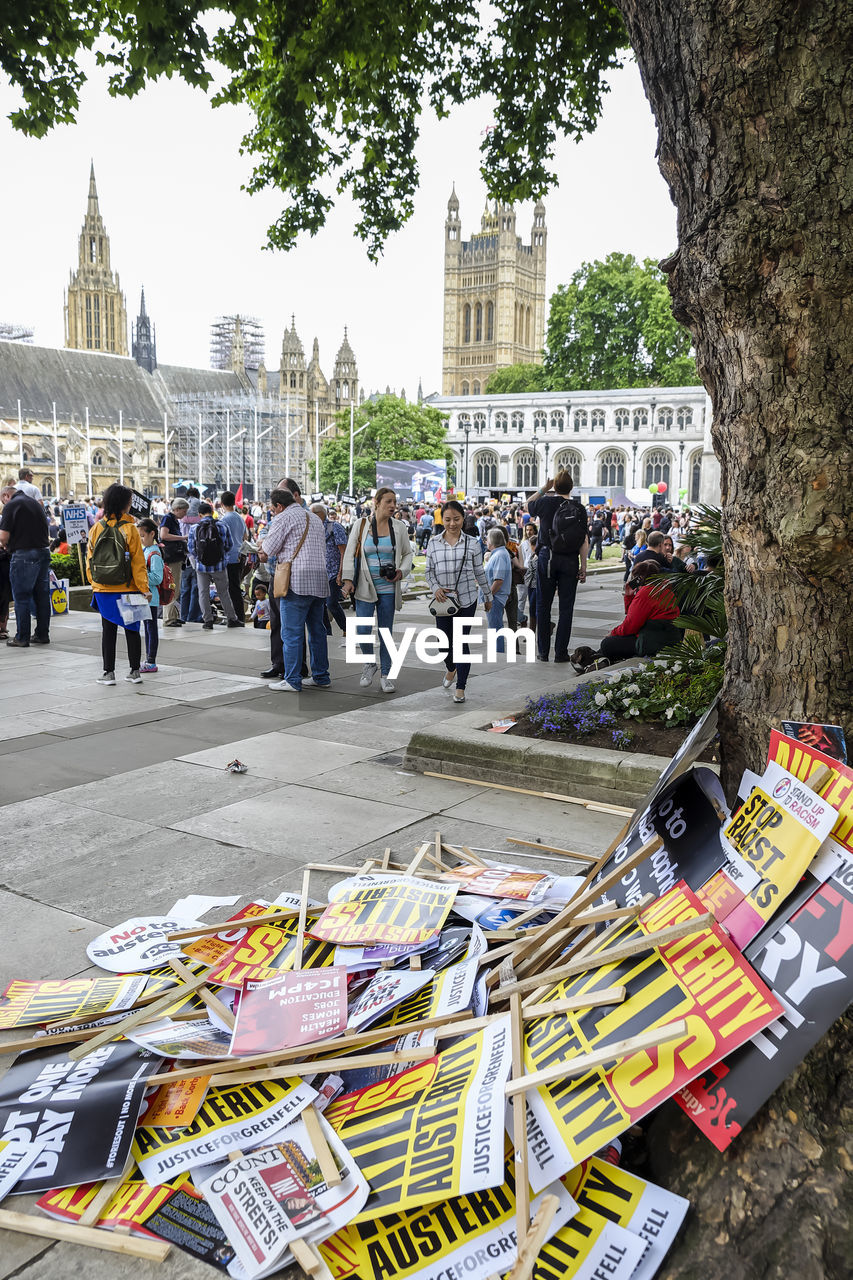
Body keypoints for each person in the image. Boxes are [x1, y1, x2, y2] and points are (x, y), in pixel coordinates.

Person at [341, 486, 413, 693]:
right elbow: (349, 554)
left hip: (388, 587)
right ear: (377, 502)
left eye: (394, 502)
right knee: (362, 630)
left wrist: (401, 571)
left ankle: (386, 675)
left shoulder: (399, 527)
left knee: (385, 632)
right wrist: (347, 580)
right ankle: (369, 663)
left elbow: (408, 554)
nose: (393, 506)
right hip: (365, 585)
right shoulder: (361, 524)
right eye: (388, 501)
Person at [261, 489, 330, 693]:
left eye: (273, 509)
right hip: (319, 580)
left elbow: (268, 548)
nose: (273, 513)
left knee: (291, 632)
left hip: (297, 580)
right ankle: (321, 675)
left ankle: (292, 679)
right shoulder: (314, 517)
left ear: (279, 506)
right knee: (317, 631)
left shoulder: (283, 518)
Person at [425, 499, 491, 704]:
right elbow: (429, 572)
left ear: (463, 518)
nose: (452, 523)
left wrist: (487, 596)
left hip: (467, 599)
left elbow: (479, 571)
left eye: (456, 519)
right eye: (447, 519)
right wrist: (435, 588)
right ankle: (451, 668)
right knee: (443, 644)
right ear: (441, 519)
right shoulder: (434, 542)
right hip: (443, 602)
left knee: (461, 643)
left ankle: (461, 686)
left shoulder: (472, 543)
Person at [86, 483, 150, 684]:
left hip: (104, 589)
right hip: (129, 587)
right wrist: (144, 589)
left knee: (108, 629)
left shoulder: (96, 528)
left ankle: (108, 673)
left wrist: (96, 584)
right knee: (132, 629)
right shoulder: (131, 529)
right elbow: (138, 563)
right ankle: (134, 671)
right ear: (125, 504)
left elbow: (90, 560)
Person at [526, 469, 588, 663]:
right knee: (566, 608)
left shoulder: (544, 503)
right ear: (571, 487)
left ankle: (543, 651)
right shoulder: (579, 508)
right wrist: (583, 566)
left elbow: (528, 505)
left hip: (548, 557)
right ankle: (561, 652)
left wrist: (544, 489)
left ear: (555, 486)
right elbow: (583, 540)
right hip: (569, 560)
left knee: (543, 606)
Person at [577, 561, 681, 670]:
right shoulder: (664, 588)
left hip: (652, 642)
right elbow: (632, 618)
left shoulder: (646, 592)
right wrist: (629, 596)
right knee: (615, 640)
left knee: (607, 643)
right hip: (667, 639)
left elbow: (630, 625)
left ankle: (590, 660)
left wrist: (613, 633)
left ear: (639, 578)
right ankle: (595, 660)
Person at [259, 477, 307, 680]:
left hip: (293, 576)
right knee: (277, 622)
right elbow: (266, 532)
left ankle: (296, 667)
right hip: (276, 575)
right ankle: (278, 663)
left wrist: (265, 544)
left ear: (295, 496)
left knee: (293, 626)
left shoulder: (302, 515)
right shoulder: (279, 516)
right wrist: (263, 540)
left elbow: (271, 543)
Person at [0, 478, 51, 648]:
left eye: (2, 501)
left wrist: (5, 545)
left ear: (6, 495)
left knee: (21, 597)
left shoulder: (12, 505)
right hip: (43, 552)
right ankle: (42, 634)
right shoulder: (34, 502)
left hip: (24, 554)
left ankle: (22, 637)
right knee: (42, 596)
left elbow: (3, 537)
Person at [187, 503, 242, 630]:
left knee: (203, 593)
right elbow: (229, 544)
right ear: (212, 512)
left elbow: (191, 548)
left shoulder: (194, 528)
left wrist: (200, 558)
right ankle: (232, 619)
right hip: (219, 566)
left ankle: (208, 620)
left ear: (199, 515)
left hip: (201, 567)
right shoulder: (222, 525)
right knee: (224, 592)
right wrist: (221, 556)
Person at [312, 502, 348, 641]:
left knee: (332, 603)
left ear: (319, 514)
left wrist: (341, 573)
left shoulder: (334, 527)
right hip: (319, 572)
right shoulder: (313, 528)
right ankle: (326, 632)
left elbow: (343, 551)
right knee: (320, 605)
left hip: (334, 572)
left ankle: (345, 628)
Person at [137, 518, 165, 672]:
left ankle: (151, 661)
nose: (141, 539)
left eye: (143, 536)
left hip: (151, 599)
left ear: (152, 534)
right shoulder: (146, 550)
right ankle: (148, 659)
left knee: (151, 629)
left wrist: (142, 574)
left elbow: (157, 578)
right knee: (148, 628)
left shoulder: (154, 553)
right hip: (146, 597)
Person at [218, 491, 247, 625]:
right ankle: (238, 615)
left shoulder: (224, 519)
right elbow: (245, 537)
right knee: (235, 587)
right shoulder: (240, 517)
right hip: (239, 554)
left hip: (229, 557)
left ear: (222, 504)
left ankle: (235, 616)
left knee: (231, 589)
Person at [160, 497, 189, 626]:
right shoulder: (168, 519)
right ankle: (168, 618)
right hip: (171, 557)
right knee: (171, 586)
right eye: (184, 511)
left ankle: (173, 615)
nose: (185, 514)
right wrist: (182, 538)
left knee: (175, 587)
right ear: (177, 509)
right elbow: (164, 535)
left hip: (176, 557)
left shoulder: (174, 520)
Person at [483, 527, 512, 653]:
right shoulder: (499, 554)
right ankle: (497, 651)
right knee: (494, 626)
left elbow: (498, 580)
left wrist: (488, 597)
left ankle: (498, 652)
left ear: (493, 541)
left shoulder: (499, 555)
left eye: (487, 539)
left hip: (495, 597)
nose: (486, 541)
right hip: (494, 596)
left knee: (495, 627)